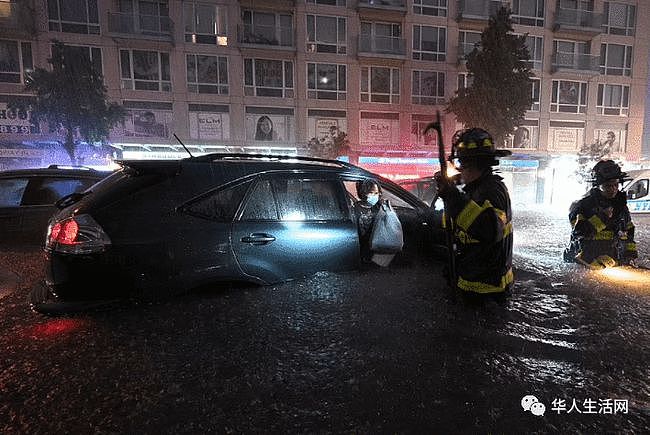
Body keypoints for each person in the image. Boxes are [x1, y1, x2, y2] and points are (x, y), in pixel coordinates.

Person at [434, 128, 514, 297]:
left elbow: (491, 231)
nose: (460, 169)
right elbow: (461, 230)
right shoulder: (474, 190)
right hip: (469, 285)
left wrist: (453, 198)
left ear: (470, 163)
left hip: (488, 294)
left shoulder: (492, 191)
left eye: (461, 163)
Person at [563, 160, 637, 269]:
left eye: (616, 185)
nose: (613, 189)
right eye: (607, 186)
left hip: (609, 261)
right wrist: (602, 218)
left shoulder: (621, 207)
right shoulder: (584, 206)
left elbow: (629, 232)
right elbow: (580, 232)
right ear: (598, 186)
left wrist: (630, 256)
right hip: (582, 261)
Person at [353, 179, 395, 267]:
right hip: (361, 247)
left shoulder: (380, 207)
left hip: (378, 248)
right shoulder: (355, 208)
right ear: (364, 193)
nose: (374, 196)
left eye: (376, 193)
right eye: (371, 193)